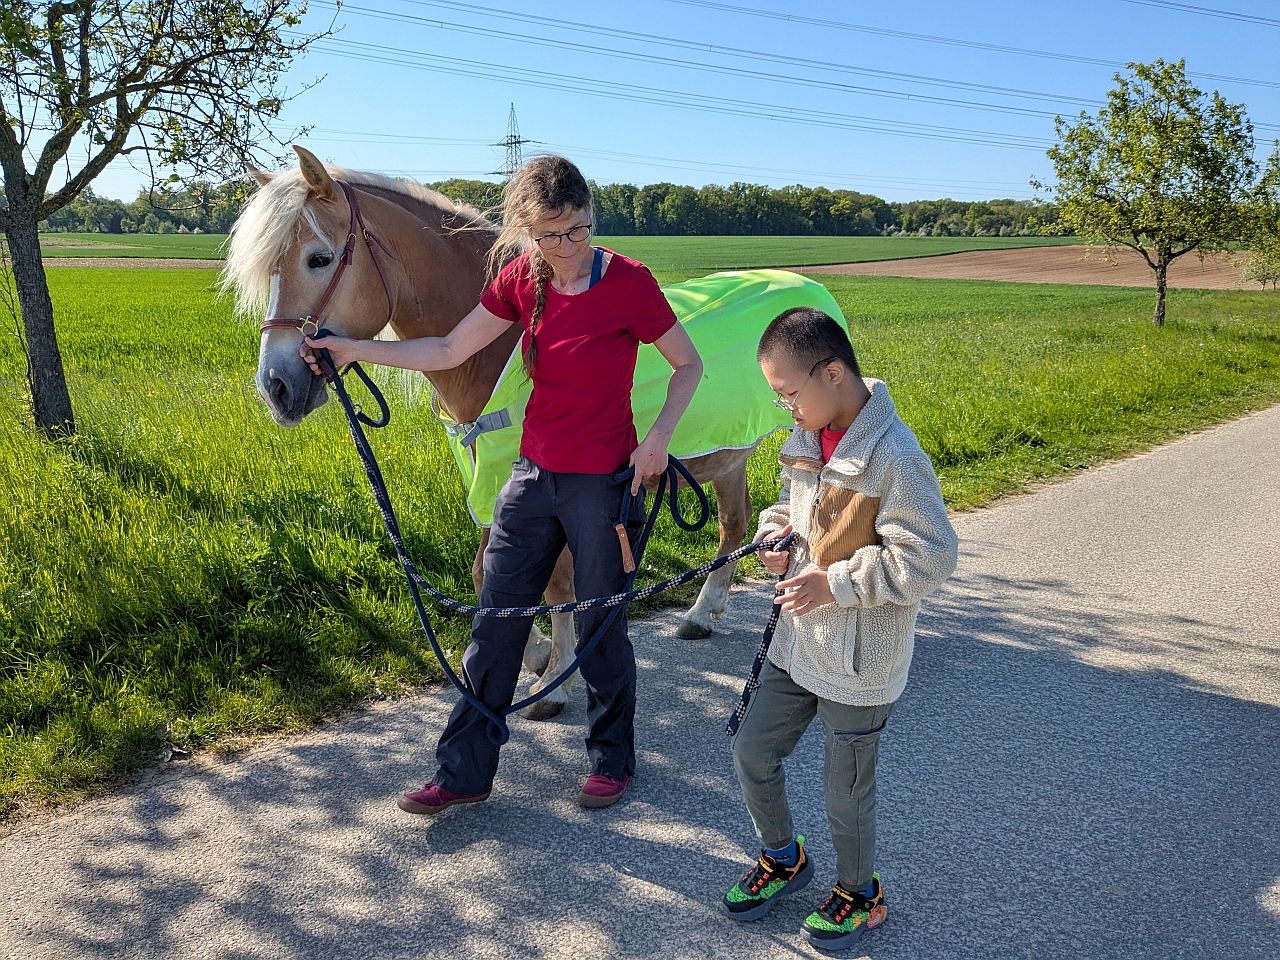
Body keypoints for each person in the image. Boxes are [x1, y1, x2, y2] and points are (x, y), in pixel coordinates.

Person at [300, 156, 703, 812]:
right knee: (495, 625)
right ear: (525, 232)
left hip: (602, 484)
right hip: (532, 479)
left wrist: (657, 439)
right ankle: (463, 771)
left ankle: (611, 758)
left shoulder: (629, 282)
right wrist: (351, 350)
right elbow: (447, 350)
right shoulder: (524, 280)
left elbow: (688, 365)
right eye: (549, 236)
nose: (567, 249)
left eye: (578, 230)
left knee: (602, 625)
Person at [720, 306, 957, 951]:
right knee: (752, 751)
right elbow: (798, 511)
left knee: (845, 790)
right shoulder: (806, 439)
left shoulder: (897, 458)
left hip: (861, 658)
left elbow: (931, 556)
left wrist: (838, 583)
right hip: (798, 640)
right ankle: (784, 857)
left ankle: (860, 893)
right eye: (779, 396)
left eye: (790, 393)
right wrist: (778, 535)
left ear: (832, 373)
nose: (786, 408)